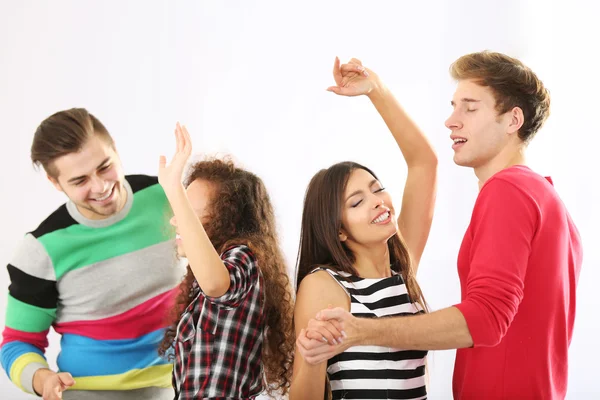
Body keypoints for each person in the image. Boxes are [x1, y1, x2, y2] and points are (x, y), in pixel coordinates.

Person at [299, 51, 583, 400]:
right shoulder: (546, 197)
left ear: (513, 121)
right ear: (336, 228)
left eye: (470, 107)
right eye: (453, 106)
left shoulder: (508, 190)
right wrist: (376, 90)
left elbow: (486, 318)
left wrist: (360, 331)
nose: (451, 120)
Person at [0, 108, 186, 400]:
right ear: (55, 182)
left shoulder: (168, 195)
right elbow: (17, 344)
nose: (100, 187)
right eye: (79, 181)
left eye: (104, 167)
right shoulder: (41, 250)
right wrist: (43, 379)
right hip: (88, 393)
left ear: (115, 148)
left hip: (185, 385)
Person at [290, 57, 438, 399]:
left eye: (377, 188)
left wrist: (376, 91)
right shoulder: (325, 285)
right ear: (338, 230)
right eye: (356, 202)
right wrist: (312, 360)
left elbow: (424, 163)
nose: (377, 201)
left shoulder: (403, 270)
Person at [157, 123, 295, 399]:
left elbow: (215, 283)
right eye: (179, 208)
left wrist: (172, 186)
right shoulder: (204, 284)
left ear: (227, 220)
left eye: (189, 213)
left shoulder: (244, 258)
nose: (177, 219)